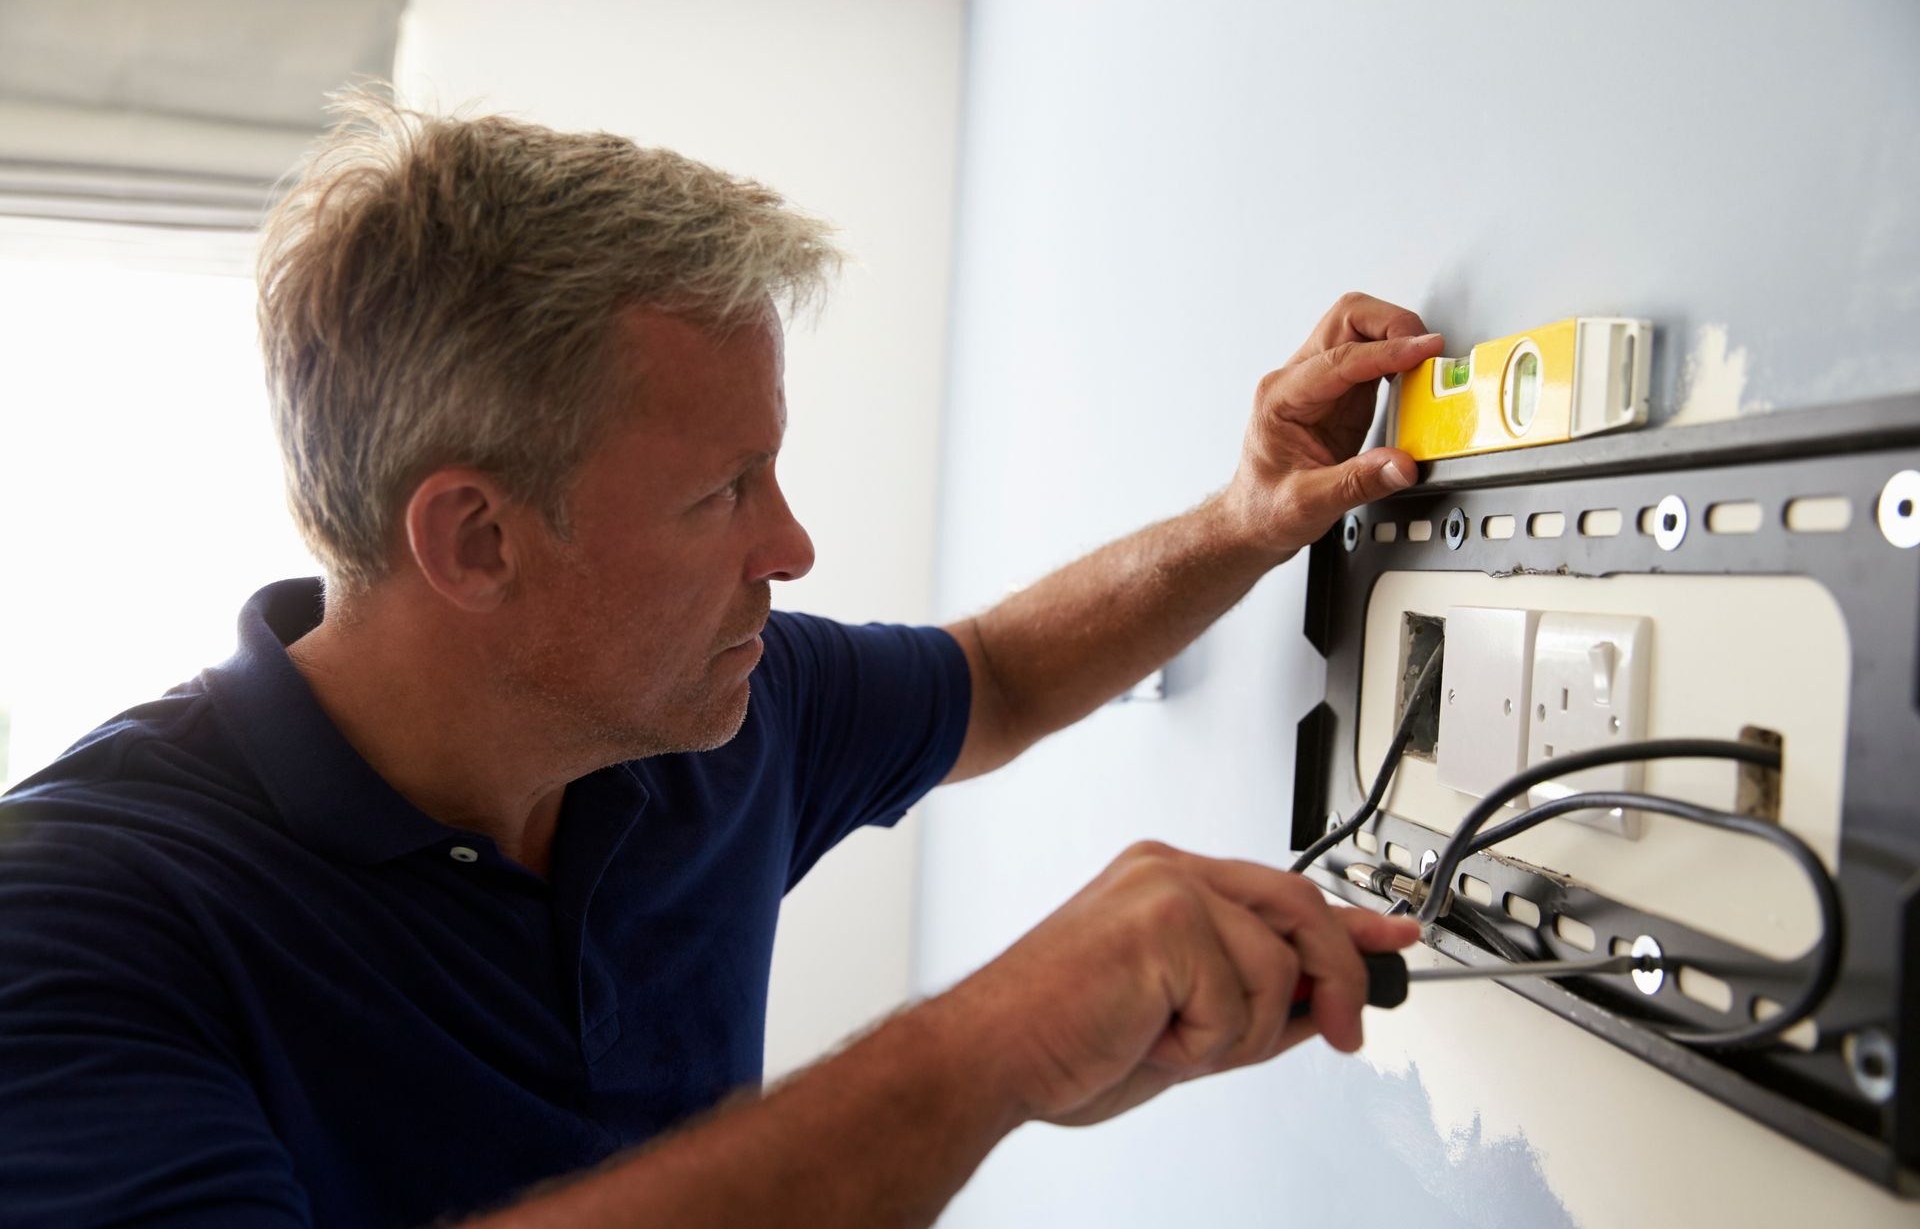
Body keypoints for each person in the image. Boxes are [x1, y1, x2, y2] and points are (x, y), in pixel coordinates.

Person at [0, 99, 1441, 1228]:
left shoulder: (709, 722)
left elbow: (994, 679)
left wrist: (1244, 524)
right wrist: (983, 1053)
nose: (795, 545)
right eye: (726, 491)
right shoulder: (75, 920)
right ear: (477, 539)